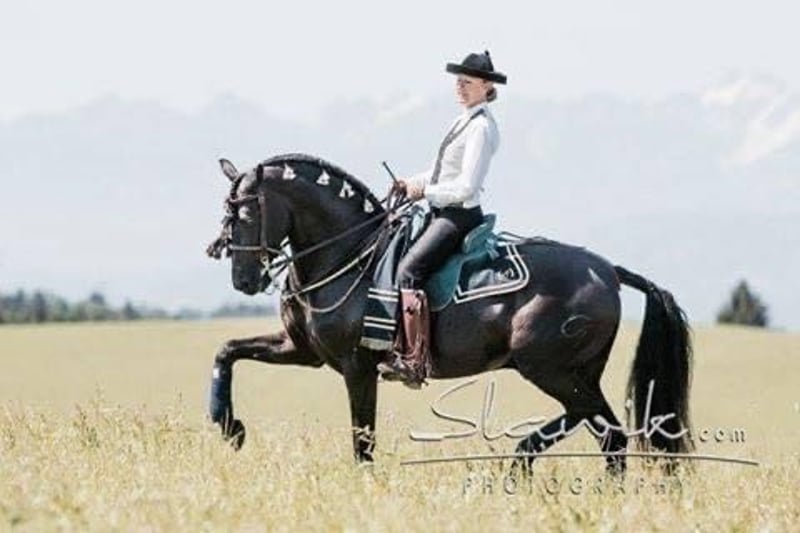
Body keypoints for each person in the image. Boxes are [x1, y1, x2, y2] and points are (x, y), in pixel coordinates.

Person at [378, 50, 506, 386]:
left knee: (408, 271)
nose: (460, 87)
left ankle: (412, 360)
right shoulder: (462, 120)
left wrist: (425, 191)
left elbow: (466, 186)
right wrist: (410, 183)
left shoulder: (481, 128)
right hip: (441, 211)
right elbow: (441, 173)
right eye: (458, 81)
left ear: (486, 86)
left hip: (459, 217)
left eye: (468, 82)